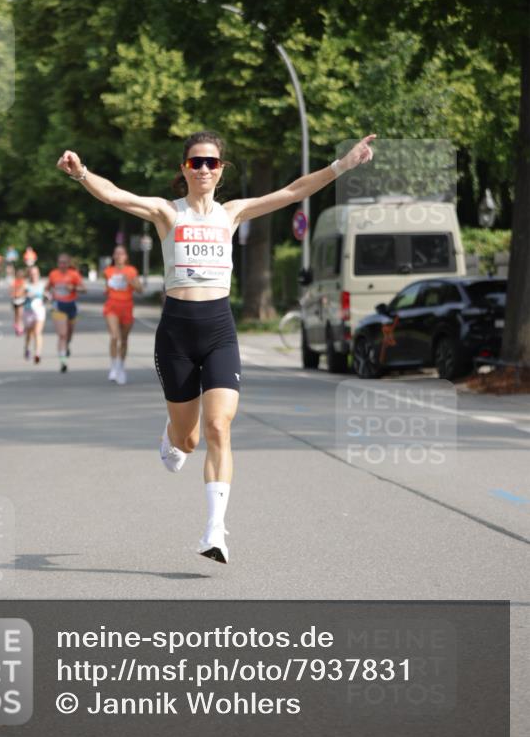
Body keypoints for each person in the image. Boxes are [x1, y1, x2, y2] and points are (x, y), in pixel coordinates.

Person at [57, 129, 375, 564]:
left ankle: (214, 530)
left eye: (211, 162)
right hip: (176, 335)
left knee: (218, 428)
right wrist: (83, 174)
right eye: (195, 162)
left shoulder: (233, 214)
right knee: (187, 441)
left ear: (221, 170)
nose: (203, 168)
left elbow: (293, 190)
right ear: (184, 169)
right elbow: (115, 195)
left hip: (219, 331)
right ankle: (170, 437)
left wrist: (343, 164)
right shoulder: (167, 214)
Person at [102, 245, 143, 385]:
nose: (119, 256)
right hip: (112, 307)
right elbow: (107, 288)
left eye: (122, 253)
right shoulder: (108, 271)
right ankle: (113, 367)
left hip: (127, 307)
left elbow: (140, 290)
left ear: (126, 257)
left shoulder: (131, 271)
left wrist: (130, 281)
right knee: (114, 336)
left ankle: (121, 367)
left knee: (124, 340)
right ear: (113, 256)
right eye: (117, 253)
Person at [46, 254, 87, 373]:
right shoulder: (53, 274)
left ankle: (67, 346)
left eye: (64, 262)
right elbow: (47, 288)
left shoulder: (74, 274)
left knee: (69, 334)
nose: (62, 265)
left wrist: (73, 288)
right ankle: (63, 361)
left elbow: (84, 289)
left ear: (68, 263)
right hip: (58, 306)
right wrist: (47, 296)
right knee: (62, 335)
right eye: (60, 262)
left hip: (72, 306)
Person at [22, 265, 47, 364]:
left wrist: (45, 298)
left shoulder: (42, 285)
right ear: (29, 275)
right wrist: (26, 295)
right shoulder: (26, 285)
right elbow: (19, 296)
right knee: (29, 334)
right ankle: (27, 348)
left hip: (39, 310)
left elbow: (47, 296)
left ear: (38, 274)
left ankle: (37, 354)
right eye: (32, 274)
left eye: (35, 274)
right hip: (28, 311)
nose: (34, 276)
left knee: (37, 332)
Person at [10, 267, 27, 336]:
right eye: (18, 274)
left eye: (21, 274)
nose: (20, 275)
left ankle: (20, 328)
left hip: (21, 300)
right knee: (16, 315)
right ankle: (16, 325)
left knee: (20, 315)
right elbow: (11, 290)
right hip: (15, 300)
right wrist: (13, 295)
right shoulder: (14, 281)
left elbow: (25, 290)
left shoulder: (24, 282)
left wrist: (24, 295)